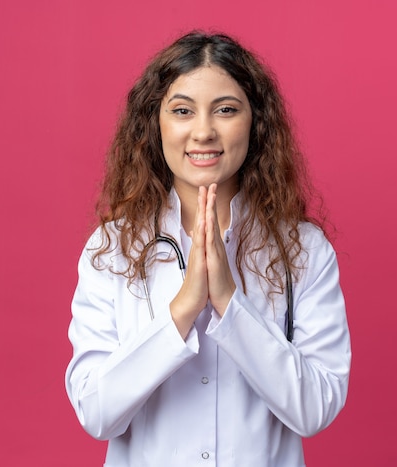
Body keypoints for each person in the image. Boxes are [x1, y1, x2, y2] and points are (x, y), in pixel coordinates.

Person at [65, 31, 351, 466]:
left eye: (226, 110)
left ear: (255, 123)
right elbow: (95, 412)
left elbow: (314, 410)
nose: (203, 131)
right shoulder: (113, 249)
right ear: (154, 123)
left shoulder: (303, 250)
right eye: (182, 111)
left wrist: (230, 303)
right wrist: (183, 310)